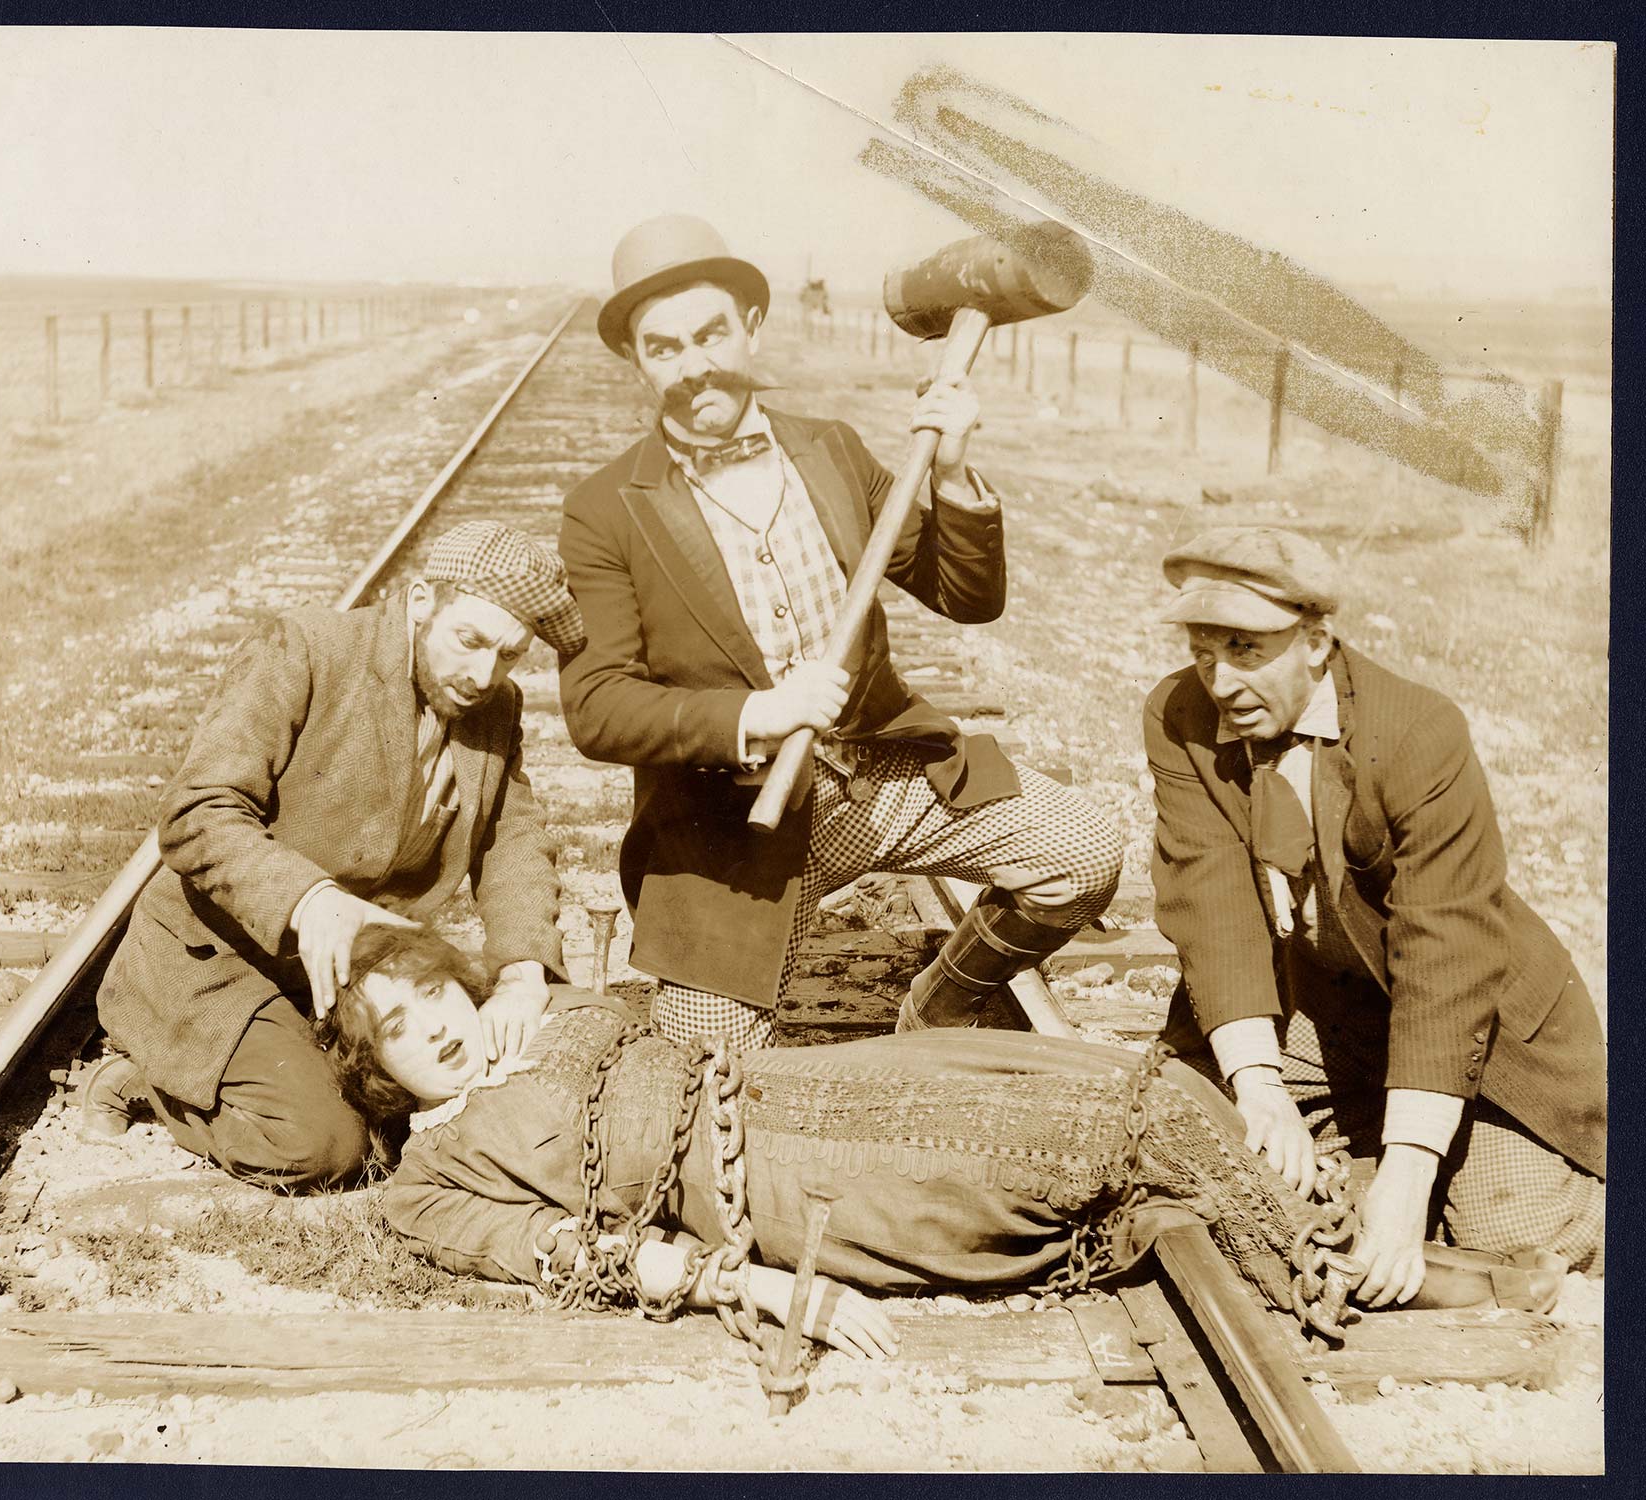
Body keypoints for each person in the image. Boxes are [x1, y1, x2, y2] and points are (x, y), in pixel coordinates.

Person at [557, 214, 1124, 1049]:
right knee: (706, 1073)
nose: (694, 365)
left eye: (711, 335)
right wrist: (759, 714)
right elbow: (597, 707)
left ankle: (941, 1003)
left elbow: (965, 598)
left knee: (1085, 851)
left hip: (887, 779)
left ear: (751, 327)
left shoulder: (831, 450)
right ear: (635, 361)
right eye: (664, 348)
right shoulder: (604, 509)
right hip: (737, 826)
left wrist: (954, 470)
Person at [325, 925, 1326, 1356]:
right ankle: (1316, 1268)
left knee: (1092, 1083)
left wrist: (525, 990)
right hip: (770, 1182)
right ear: (379, 1072)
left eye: (434, 993)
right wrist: (762, 1290)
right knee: (1086, 1137)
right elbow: (575, 1254)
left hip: (788, 1084)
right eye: (399, 1029)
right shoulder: (428, 1181)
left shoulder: (538, 1014)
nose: (437, 1029)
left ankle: (1296, 1225)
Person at [1144, 525, 1606, 1308]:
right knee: (1202, 1136)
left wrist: (1409, 1169)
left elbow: (1446, 957)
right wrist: (1259, 1086)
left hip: (1473, 1019)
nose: (1220, 680)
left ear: (1316, 642)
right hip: (1324, 1006)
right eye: (1203, 651)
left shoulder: (1419, 731)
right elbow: (1208, 896)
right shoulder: (1177, 713)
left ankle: (1421, 1159)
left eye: (1246, 649)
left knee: (1507, 1229)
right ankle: (1367, 1157)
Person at [84, 521, 584, 1190]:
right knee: (327, 1149)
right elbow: (196, 811)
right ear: (420, 601)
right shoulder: (304, 649)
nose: (483, 674)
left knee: (520, 1059)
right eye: (469, 640)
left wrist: (523, 971)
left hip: (362, 973)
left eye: (509, 655)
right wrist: (309, 899)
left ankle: (305, 1066)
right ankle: (151, 1077)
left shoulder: (495, 704)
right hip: (225, 960)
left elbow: (510, 838)